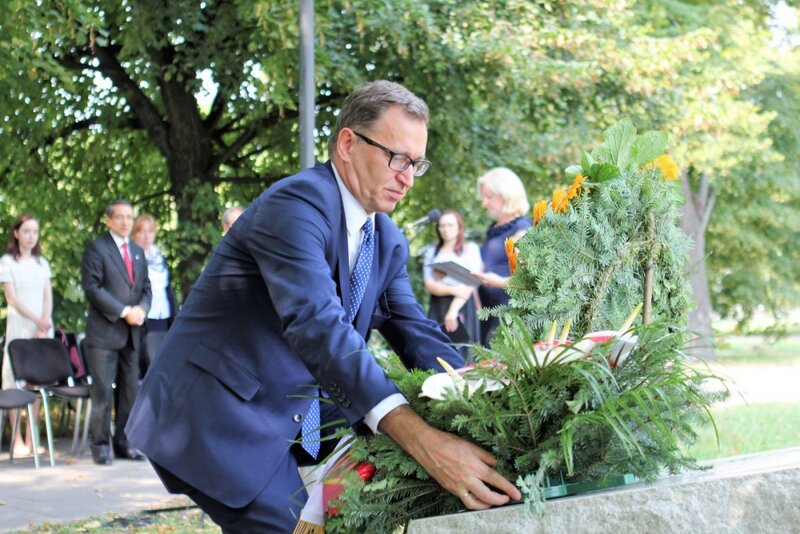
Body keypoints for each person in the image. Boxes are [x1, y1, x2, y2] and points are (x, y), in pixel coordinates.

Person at [126, 80, 521, 532]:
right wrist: (423, 440)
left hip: (297, 410)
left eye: (416, 164)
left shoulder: (385, 238)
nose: (408, 178)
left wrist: (486, 395)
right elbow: (318, 326)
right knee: (297, 525)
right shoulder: (295, 206)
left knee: (363, 509)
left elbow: (417, 335)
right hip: (216, 416)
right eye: (397, 158)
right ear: (348, 144)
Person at [81, 200, 151, 465]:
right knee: (102, 393)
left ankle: (125, 443)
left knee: (129, 392)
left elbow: (146, 289)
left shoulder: (137, 251)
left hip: (132, 334)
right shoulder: (97, 248)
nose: (125, 222)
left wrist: (142, 309)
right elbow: (92, 288)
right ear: (108, 220)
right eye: (120, 217)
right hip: (104, 335)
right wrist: (124, 311)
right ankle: (100, 446)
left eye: (129, 217)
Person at [0, 214, 51, 456]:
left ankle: (31, 438)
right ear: (16, 233)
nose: (32, 236)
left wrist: (44, 322)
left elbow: (47, 296)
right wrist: (35, 319)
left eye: (35, 231)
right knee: (14, 381)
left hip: (41, 330)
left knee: (36, 382)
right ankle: (17, 440)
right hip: (20, 327)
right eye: (27, 231)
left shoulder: (42, 263)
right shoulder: (7, 262)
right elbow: (12, 298)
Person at [471, 167, 532, 346]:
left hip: (509, 319)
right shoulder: (493, 230)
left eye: (489, 196)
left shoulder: (522, 229)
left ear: (506, 194)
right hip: (486, 315)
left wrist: (497, 282)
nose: (484, 203)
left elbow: (526, 282)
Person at [423, 209, 482, 359]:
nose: (445, 229)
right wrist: (453, 289)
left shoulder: (470, 249)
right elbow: (429, 284)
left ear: (459, 227)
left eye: (450, 225)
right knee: (438, 351)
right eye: (442, 226)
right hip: (438, 305)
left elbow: (470, 285)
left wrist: (453, 311)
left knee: (463, 353)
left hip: (463, 306)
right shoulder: (432, 252)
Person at [131, 214, 177, 376]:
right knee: (142, 364)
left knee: (161, 362)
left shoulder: (159, 258)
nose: (146, 236)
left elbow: (167, 290)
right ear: (134, 234)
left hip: (162, 316)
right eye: (141, 231)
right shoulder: (130, 257)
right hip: (142, 318)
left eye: (150, 231)